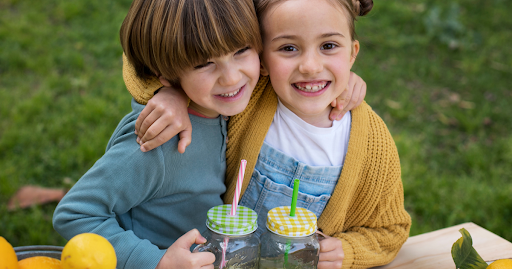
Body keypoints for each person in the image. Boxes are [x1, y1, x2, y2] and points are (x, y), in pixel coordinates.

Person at [123, 0, 412, 268]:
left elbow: (391, 229)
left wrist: (348, 251)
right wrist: (170, 92)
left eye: (329, 46)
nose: (310, 66)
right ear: (260, 58)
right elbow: (150, 53)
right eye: (288, 48)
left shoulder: (372, 143)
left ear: (353, 52)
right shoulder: (248, 98)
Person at [52, 0, 263, 268]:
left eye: (241, 50)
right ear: (164, 74)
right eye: (203, 64)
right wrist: (157, 260)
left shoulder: (223, 107)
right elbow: (75, 213)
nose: (231, 78)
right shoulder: (159, 143)